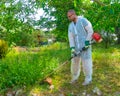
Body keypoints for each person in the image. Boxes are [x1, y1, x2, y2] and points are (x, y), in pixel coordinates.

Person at [67, 9, 94, 85]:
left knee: (86, 63)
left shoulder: (83, 21)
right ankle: (74, 77)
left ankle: (88, 79)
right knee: (74, 63)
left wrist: (87, 41)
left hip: (85, 46)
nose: (69, 18)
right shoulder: (70, 26)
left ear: (74, 14)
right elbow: (71, 37)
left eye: (70, 16)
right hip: (76, 48)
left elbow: (90, 31)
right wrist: (72, 48)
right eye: (68, 17)